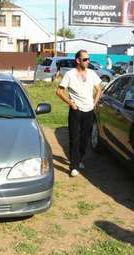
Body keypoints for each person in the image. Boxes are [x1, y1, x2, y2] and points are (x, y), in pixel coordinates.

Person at [56, 49, 102, 177]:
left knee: (85, 139)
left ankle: (80, 159)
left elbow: (99, 89)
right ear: (78, 60)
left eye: (88, 59)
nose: (88, 61)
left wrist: (94, 103)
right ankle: (74, 166)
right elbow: (59, 91)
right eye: (85, 59)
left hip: (89, 111)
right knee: (74, 139)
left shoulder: (92, 73)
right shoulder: (70, 74)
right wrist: (71, 103)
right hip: (76, 111)